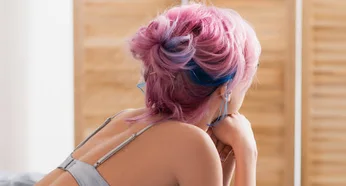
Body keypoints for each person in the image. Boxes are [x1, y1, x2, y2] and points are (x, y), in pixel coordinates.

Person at [36, 3, 260, 186]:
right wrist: (246, 151)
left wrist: (227, 158)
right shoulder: (193, 144)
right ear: (226, 90)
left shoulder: (125, 118)